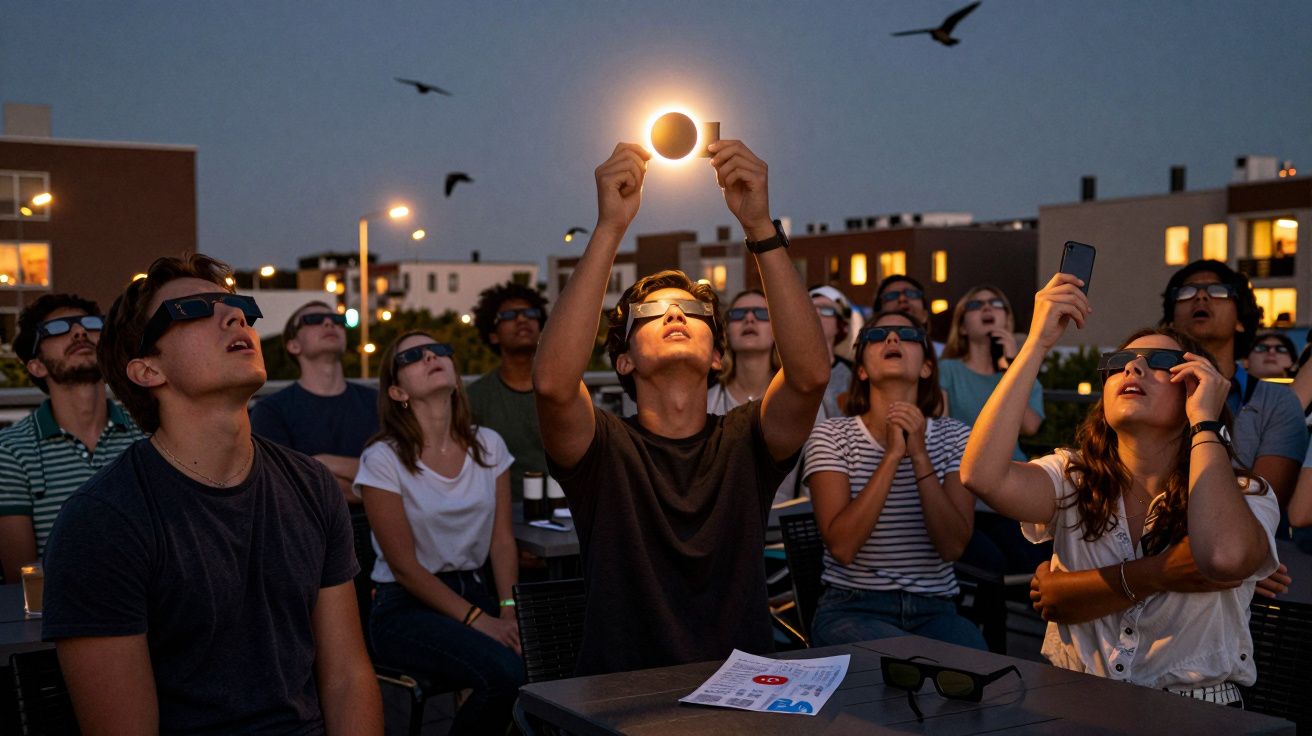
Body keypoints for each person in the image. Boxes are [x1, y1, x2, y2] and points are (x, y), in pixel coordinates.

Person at [41, 254, 381, 733]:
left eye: (237, 305)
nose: (235, 315)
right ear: (146, 371)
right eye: (194, 309)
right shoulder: (103, 521)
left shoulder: (310, 486)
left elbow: (346, 677)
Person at [534, 141, 829, 674]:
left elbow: (809, 377)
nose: (674, 314)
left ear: (718, 356)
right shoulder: (602, 448)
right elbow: (554, 385)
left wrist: (759, 224)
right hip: (621, 696)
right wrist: (609, 228)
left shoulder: (746, 441)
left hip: (740, 688)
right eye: (650, 311)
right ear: (623, 360)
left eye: (693, 309)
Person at [960, 272, 1280, 704]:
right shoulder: (1072, 477)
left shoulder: (1244, 492)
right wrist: (1036, 344)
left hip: (1196, 712)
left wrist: (1205, 422)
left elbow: (1223, 556)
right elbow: (982, 475)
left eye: (1159, 363)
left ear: (1196, 385)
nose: (1132, 367)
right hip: (1076, 700)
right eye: (1120, 362)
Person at [356, 332, 522, 735]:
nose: (432, 355)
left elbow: (501, 541)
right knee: (506, 674)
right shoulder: (382, 459)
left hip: (480, 591)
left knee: (555, 658)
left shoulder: (488, 444)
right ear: (397, 391)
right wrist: (480, 621)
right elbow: (405, 567)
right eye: (413, 356)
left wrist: (508, 609)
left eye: (440, 349)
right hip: (406, 607)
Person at [805, 311, 983, 649]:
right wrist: (890, 457)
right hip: (852, 608)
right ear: (861, 368)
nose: (891, 339)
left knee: (982, 672)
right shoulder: (831, 435)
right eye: (877, 335)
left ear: (927, 366)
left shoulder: (956, 437)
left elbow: (952, 546)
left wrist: (919, 456)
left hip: (936, 610)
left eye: (907, 334)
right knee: (909, 662)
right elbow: (843, 548)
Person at [0, 294, 143, 583]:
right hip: (63, 617)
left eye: (91, 324)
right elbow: (22, 578)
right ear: (36, 366)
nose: (79, 332)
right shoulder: (11, 450)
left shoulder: (147, 430)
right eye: (57, 329)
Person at [1160, 260, 1307, 507]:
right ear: (1171, 322)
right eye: (1187, 292)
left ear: (1241, 320)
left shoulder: (1277, 402)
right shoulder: (1153, 392)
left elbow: (1263, 503)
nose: (1201, 297)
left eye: (1217, 290)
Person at [938, 285, 1049, 575]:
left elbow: (1030, 425)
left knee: (1036, 559)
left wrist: (1013, 366)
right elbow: (941, 426)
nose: (987, 309)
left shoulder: (1019, 371)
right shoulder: (947, 370)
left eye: (995, 304)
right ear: (962, 326)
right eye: (976, 305)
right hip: (966, 493)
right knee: (994, 564)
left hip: (1015, 489)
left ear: (1007, 321)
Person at [251, 300, 379, 504]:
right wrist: (380, 489)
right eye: (313, 320)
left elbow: (403, 473)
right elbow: (288, 486)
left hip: (378, 530)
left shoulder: (377, 402)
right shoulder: (270, 411)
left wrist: (320, 463)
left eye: (338, 319)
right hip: (313, 532)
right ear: (293, 345)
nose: (329, 323)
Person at [468, 282, 549, 501]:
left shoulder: (564, 389)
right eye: (509, 315)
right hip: (504, 516)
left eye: (530, 313)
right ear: (493, 335)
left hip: (568, 511)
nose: (522, 319)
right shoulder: (475, 398)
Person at [707, 289, 779, 414]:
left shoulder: (794, 398)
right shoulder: (707, 402)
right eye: (737, 314)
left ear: (776, 330)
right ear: (727, 330)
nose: (749, 319)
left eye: (762, 313)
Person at [809, 285, 855, 419]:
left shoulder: (853, 373)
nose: (816, 314)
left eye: (826, 310)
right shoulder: (783, 371)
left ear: (840, 325)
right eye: (810, 309)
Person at [874, 274, 945, 356]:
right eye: (892, 296)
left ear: (925, 315)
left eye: (911, 294)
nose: (902, 299)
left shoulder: (944, 357)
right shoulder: (870, 357)